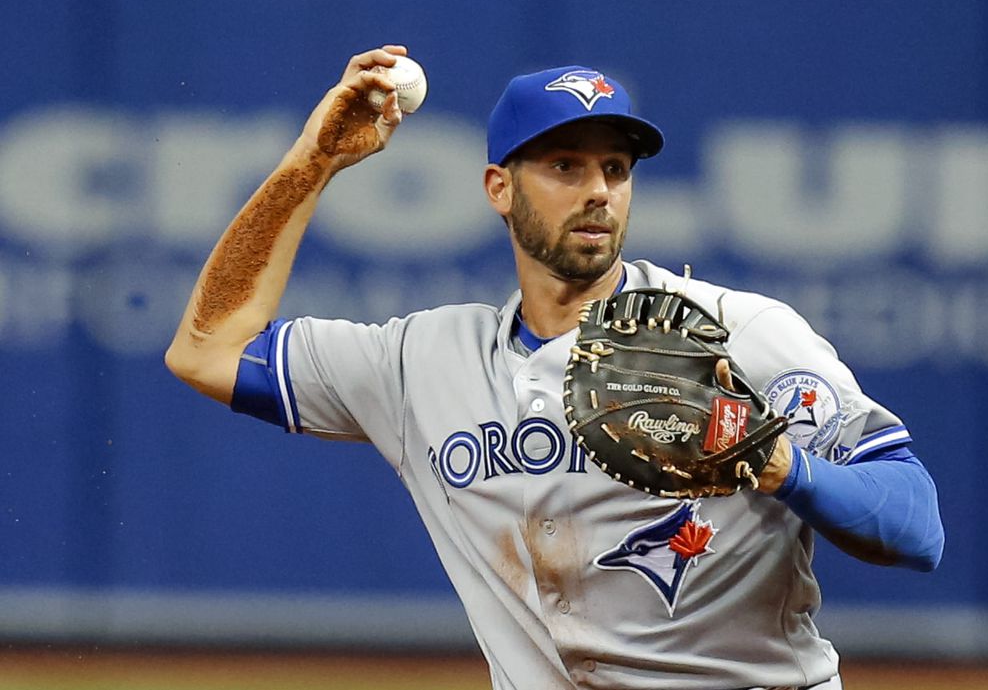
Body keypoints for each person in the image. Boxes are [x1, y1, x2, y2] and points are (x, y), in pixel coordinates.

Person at [165, 46, 944, 690]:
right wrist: (315, 162)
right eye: (565, 166)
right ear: (498, 188)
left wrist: (779, 463)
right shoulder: (422, 360)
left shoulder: (736, 332)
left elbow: (915, 522)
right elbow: (206, 348)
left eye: (617, 167)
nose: (599, 191)